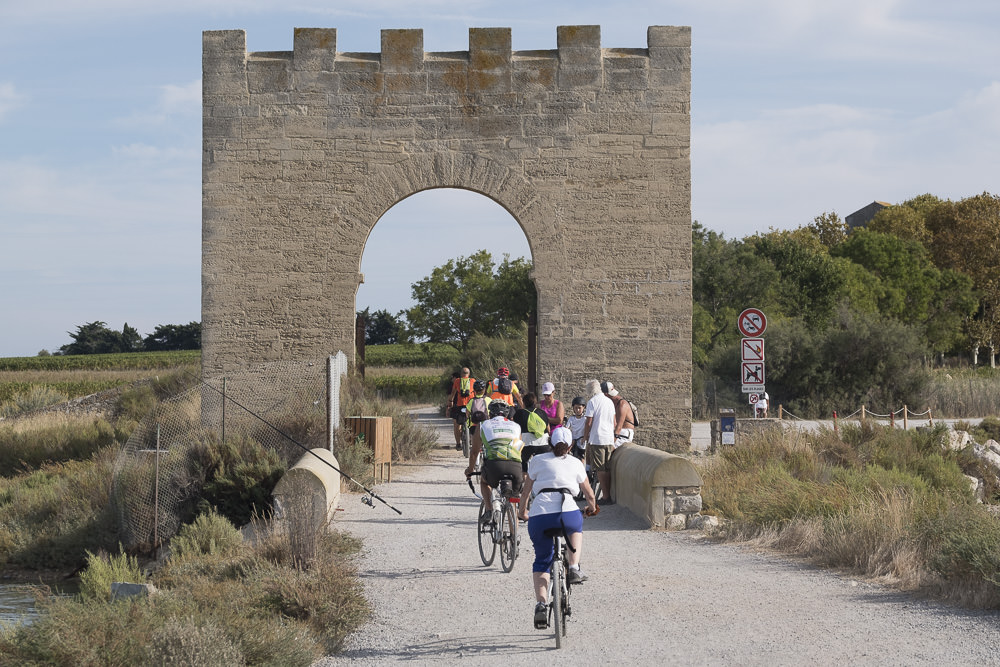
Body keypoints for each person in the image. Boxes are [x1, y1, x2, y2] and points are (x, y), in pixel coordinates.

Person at [518, 425, 598, 629]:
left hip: (540, 515)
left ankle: (541, 604)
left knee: (542, 560)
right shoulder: (576, 463)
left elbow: (526, 492)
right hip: (567, 512)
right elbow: (589, 494)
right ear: (571, 445)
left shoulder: (536, 460)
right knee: (575, 528)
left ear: (550, 443)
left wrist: (522, 512)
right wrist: (591, 508)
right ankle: (573, 567)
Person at [466, 399, 524, 510]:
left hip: (494, 466)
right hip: (515, 467)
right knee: (513, 501)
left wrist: (470, 470)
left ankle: (489, 509)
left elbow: (474, 452)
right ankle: (514, 524)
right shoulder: (516, 426)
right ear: (507, 413)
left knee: (484, 482)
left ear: (490, 413)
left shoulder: (483, 425)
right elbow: (519, 449)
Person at [583, 379, 616, 504]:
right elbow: (614, 422)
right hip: (608, 438)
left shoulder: (592, 402)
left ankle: (606, 496)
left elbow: (589, 422)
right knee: (607, 468)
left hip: (598, 438)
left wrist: (585, 436)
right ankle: (608, 494)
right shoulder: (609, 402)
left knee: (600, 468)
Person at [513, 392, 552, 472]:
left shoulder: (519, 413)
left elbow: (515, 430)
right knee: (542, 466)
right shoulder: (542, 412)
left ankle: (524, 480)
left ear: (523, 403)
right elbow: (548, 429)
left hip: (527, 444)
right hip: (543, 444)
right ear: (535, 402)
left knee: (523, 464)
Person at [447, 367, 476, 450]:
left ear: (461, 374)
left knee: (457, 424)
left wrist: (450, 401)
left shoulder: (457, 381)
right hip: (471, 405)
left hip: (460, 405)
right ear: (469, 374)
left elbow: (453, 392)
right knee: (473, 423)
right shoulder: (473, 381)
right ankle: (472, 440)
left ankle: (458, 444)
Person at [602, 381, 636, 448]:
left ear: (605, 394)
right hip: (616, 433)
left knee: (606, 450)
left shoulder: (622, 404)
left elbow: (618, 427)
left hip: (624, 434)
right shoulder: (611, 403)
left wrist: (612, 444)